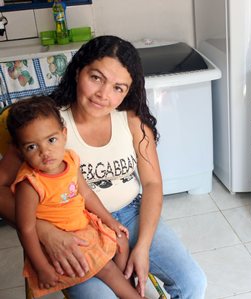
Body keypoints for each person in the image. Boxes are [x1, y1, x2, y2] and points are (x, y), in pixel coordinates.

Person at [0, 35, 207, 298]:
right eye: (96, 78)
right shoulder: (47, 124)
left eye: (118, 88)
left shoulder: (131, 119)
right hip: (74, 228)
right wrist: (44, 231)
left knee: (193, 283)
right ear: (78, 71)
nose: (103, 95)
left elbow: (153, 183)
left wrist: (142, 247)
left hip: (132, 217)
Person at [7, 96, 143, 299]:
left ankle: (125, 287)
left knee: (121, 244)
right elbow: (26, 228)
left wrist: (110, 221)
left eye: (51, 140)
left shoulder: (70, 160)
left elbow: (86, 193)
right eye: (32, 147)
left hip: (84, 226)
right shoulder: (30, 184)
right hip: (63, 240)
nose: (45, 152)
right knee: (106, 269)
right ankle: (132, 296)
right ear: (20, 150)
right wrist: (42, 267)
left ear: (64, 134)